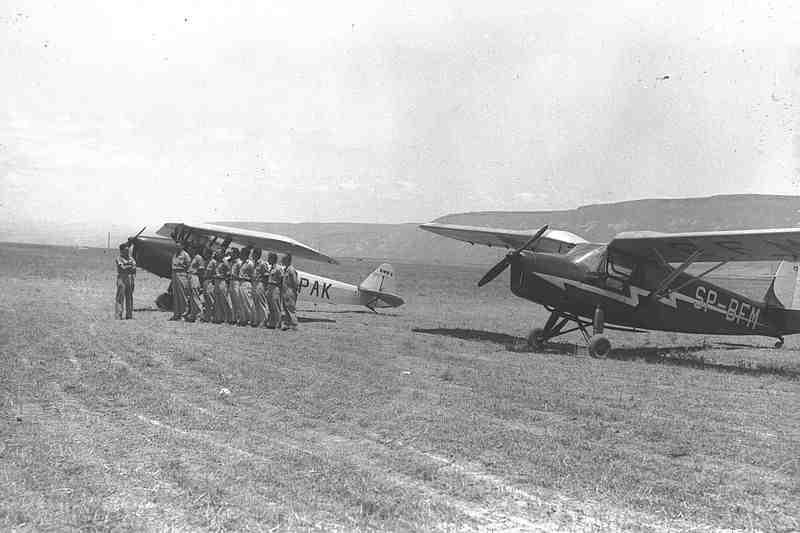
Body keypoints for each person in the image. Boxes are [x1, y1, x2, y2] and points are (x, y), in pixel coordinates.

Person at [170, 241, 192, 321]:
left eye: (178, 246)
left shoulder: (185, 255)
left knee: (182, 295)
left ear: (182, 246)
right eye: (176, 246)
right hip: (174, 274)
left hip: (181, 275)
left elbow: (189, 265)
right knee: (176, 295)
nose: (177, 247)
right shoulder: (175, 254)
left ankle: (184, 314)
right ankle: (176, 314)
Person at [115, 242, 136, 319]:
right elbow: (122, 268)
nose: (127, 252)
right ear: (121, 251)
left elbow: (134, 268)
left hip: (130, 279)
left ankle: (129, 315)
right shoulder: (119, 259)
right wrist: (129, 266)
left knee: (129, 297)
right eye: (126, 250)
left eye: (128, 250)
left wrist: (127, 266)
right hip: (122, 279)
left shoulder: (131, 258)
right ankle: (118, 315)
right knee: (120, 297)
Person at [185, 245, 205, 322]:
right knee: (191, 297)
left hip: (194, 277)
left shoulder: (198, 257)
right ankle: (193, 315)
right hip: (190, 276)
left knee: (195, 296)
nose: (189, 250)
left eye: (191, 249)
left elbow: (202, 268)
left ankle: (200, 315)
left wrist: (196, 272)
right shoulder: (192, 257)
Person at [265, 252, 283, 329]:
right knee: (271, 306)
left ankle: (278, 323)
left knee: (276, 306)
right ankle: (272, 323)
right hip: (270, 288)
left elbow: (282, 279)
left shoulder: (278, 268)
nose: (268, 260)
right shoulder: (271, 268)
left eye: (269, 258)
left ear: (273, 259)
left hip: (275, 288)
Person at [280, 253, 299, 330]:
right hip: (285, 291)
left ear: (287, 260)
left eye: (283, 259)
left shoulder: (291, 270)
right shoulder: (286, 269)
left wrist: (293, 292)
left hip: (290, 292)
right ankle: (287, 324)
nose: (282, 261)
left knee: (290, 308)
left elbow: (295, 282)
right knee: (285, 308)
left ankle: (294, 325)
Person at [213, 250, 232, 324]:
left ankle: (226, 318)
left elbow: (229, 272)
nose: (216, 254)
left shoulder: (224, 262)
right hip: (216, 281)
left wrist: (222, 276)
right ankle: (219, 317)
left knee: (223, 300)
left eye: (218, 253)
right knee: (217, 300)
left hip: (222, 281)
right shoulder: (216, 262)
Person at [238, 247, 255, 326]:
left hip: (246, 283)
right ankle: (243, 319)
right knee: (241, 302)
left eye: (242, 253)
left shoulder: (250, 264)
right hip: (240, 283)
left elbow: (252, 274)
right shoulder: (241, 263)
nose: (241, 254)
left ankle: (250, 319)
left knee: (248, 301)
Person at [252, 248, 268, 327]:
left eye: (254, 254)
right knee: (255, 302)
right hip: (254, 284)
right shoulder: (254, 263)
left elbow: (266, 275)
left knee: (261, 303)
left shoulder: (262, 264)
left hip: (260, 284)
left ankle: (263, 320)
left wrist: (264, 286)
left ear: (258, 255)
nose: (252, 255)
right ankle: (256, 320)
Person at [227, 248, 242, 325]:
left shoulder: (239, 263)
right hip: (231, 281)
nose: (231, 255)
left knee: (237, 300)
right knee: (231, 300)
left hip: (236, 281)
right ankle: (233, 318)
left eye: (232, 253)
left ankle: (239, 318)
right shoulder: (232, 262)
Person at [201, 248, 216, 322]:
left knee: (211, 299)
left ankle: (213, 316)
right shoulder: (206, 261)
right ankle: (207, 316)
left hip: (210, 281)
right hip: (205, 281)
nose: (204, 254)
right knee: (206, 299)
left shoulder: (213, 262)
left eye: (206, 253)